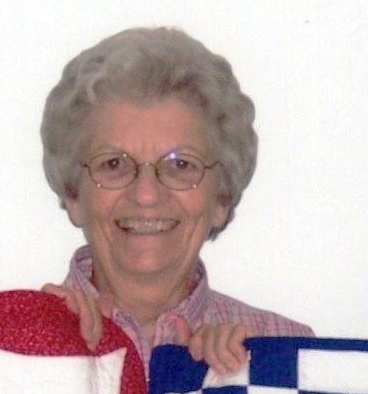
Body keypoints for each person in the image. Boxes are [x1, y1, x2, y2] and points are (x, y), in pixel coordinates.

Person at [40, 27, 309, 371]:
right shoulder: (0, 352)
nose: (146, 195)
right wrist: (40, 354)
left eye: (181, 165)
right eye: (114, 164)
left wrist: (238, 385)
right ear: (74, 195)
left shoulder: (287, 354)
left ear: (221, 198)